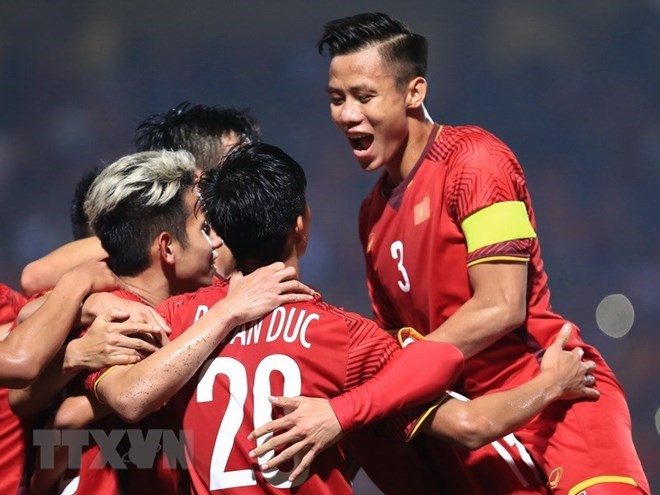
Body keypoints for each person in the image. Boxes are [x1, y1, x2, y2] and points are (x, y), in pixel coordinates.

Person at [254, 12, 649, 495]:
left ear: (414, 92)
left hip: (556, 397)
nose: (347, 114)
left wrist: (390, 383)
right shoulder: (371, 217)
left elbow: (503, 306)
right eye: (336, 99)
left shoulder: (477, 162)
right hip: (470, 425)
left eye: (363, 96)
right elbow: (393, 341)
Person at [92, 144, 596, 495]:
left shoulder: (170, 321)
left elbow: (115, 398)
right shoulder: (343, 337)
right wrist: (554, 383)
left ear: (218, 233)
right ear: (302, 225)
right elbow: (471, 421)